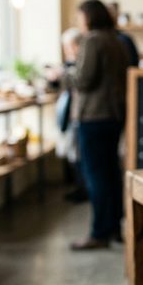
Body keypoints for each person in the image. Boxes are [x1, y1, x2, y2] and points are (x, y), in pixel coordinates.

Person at [67, 0, 130, 250]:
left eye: (80, 16)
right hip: (113, 115)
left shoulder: (92, 40)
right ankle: (114, 228)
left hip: (93, 116)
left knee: (96, 176)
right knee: (111, 174)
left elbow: (83, 79)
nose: (78, 21)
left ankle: (99, 233)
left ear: (89, 17)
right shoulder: (117, 40)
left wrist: (64, 73)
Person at [56, 28, 87, 203]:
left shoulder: (80, 65)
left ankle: (83, 188)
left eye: (68, 47)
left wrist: (61, 75)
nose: (67, 51)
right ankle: (79, 187)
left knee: (79, 153)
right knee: (74, 152)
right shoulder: (71, 65)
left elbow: (79, 84)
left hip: (80, 114)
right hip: (74, 115)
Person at [108, 1, 140, 67]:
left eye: (114, 13)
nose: (112, 15)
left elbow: (134, 63)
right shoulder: (98, 39)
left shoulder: (125, 39)